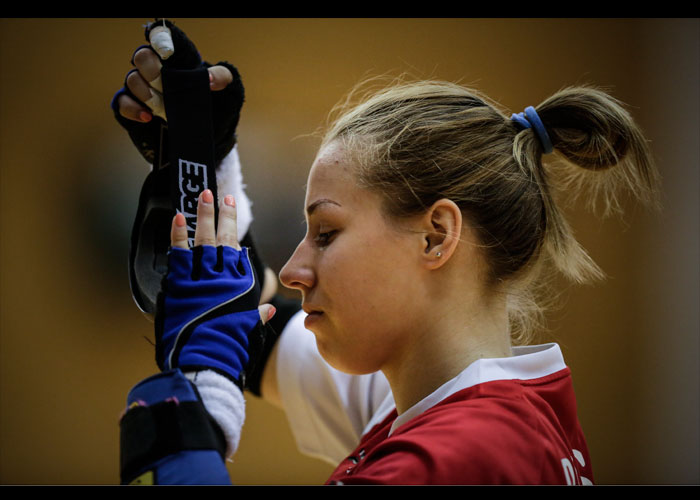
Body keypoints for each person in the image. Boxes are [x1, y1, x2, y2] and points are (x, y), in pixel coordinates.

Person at [113, 20, 660, 485]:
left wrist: (196, 401)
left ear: (436, 236)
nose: (296, 270)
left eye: (326, 233)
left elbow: (227, 338)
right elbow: (252, 327)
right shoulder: (447, 398)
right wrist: (202, 163)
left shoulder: (452, 459)